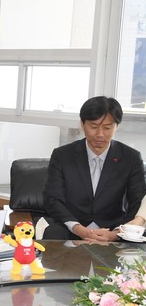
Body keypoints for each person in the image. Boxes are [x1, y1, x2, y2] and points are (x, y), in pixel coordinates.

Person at [42, 96, 146, 241]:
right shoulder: (63, 155)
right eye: (94, 127)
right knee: (52, 233)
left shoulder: (131, 158)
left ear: (116, 126)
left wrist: (117, 233)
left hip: (113, 230)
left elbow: (137, 202)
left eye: (107, 128)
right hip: (72, 229)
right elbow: (52, 199)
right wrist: (78, 228)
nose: (100, 134)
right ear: (82, 124)